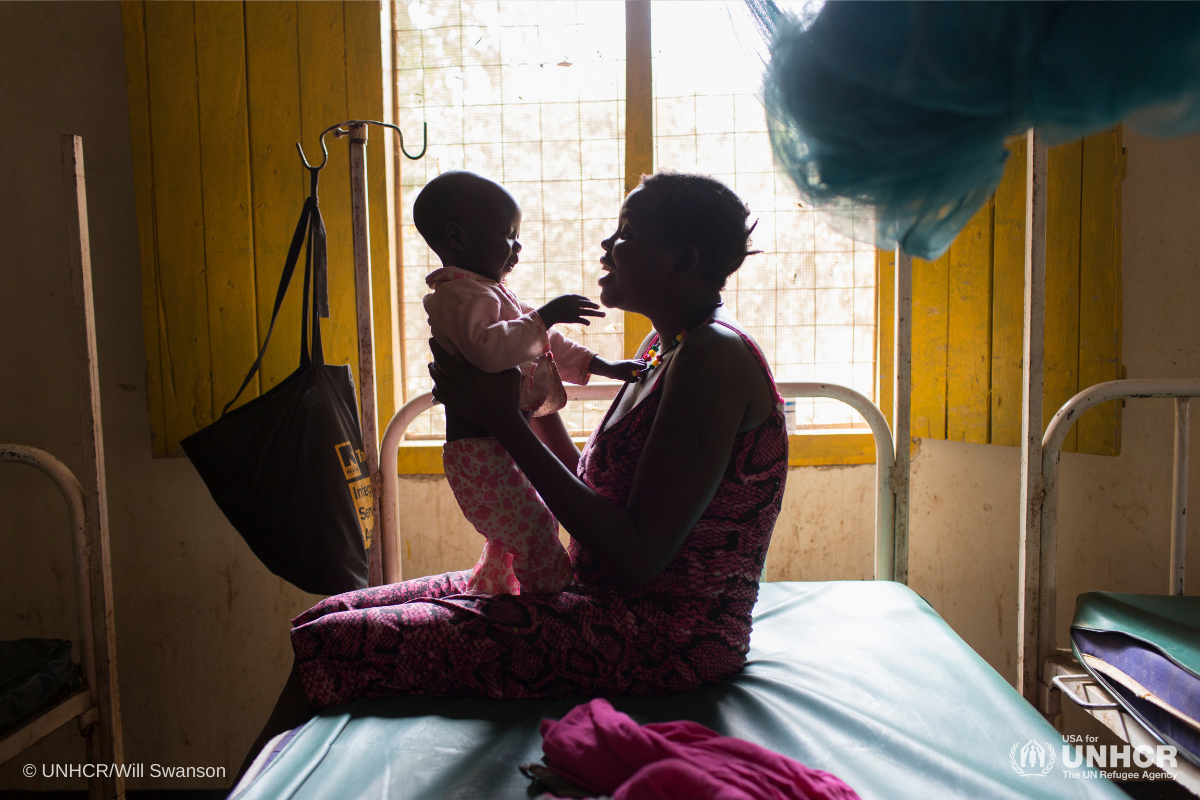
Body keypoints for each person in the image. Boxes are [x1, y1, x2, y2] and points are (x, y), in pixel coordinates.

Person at [236, 172, 788, 782]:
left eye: (627, 233)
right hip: (593, 594)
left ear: (683, 259)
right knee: (322, 618)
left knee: (332, 644)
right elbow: (592, 483)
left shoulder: (713, 356)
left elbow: (636, 556)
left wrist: (503, 421)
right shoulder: (667, 348)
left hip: (663, 639)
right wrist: (526, 405)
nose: (607, 245)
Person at [414, 171, 644, 595]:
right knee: (536, 527)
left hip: (500, 444)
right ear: (457, 237)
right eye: (507, 235)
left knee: (525, 527)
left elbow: (543, 344)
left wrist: (601, 365)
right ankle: (548, 602)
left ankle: (501, 590)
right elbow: (490, 349)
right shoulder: (457, 298)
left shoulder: (488, 292)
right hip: (479, 452)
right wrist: (542, 318)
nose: (517, 247)